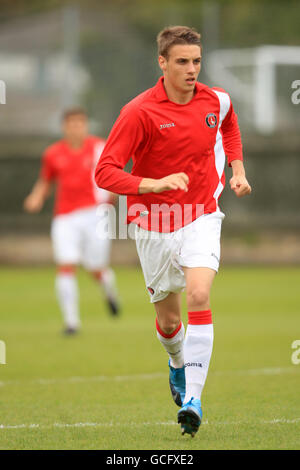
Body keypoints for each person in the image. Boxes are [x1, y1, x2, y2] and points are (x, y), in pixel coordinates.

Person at [94, 26, 251, 437]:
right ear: (162, 62)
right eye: (182, 61)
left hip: (202, 214)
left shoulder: (216, 100)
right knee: (168, 322)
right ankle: (177, 363)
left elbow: (229, 126)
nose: (191, 69)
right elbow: (105, 171)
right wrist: (151, 184)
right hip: (154, 223)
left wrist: (237, 169)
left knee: (200, 293)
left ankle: (194, 400)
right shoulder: (139, 111)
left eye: (196, 61)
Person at [24, 108, 120, 335]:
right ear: (64, 127)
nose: (76, 128)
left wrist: (112, 200)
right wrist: (36, 196)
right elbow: (45, 180)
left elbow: (113, 177)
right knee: (66, 265)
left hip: (95, 215)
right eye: (71, 124)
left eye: (80, 123)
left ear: (86, 126)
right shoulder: (53, 154)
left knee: (96, 268)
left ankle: (109, 291)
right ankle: (71, 323)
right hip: (65, 217)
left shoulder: (99, 147)